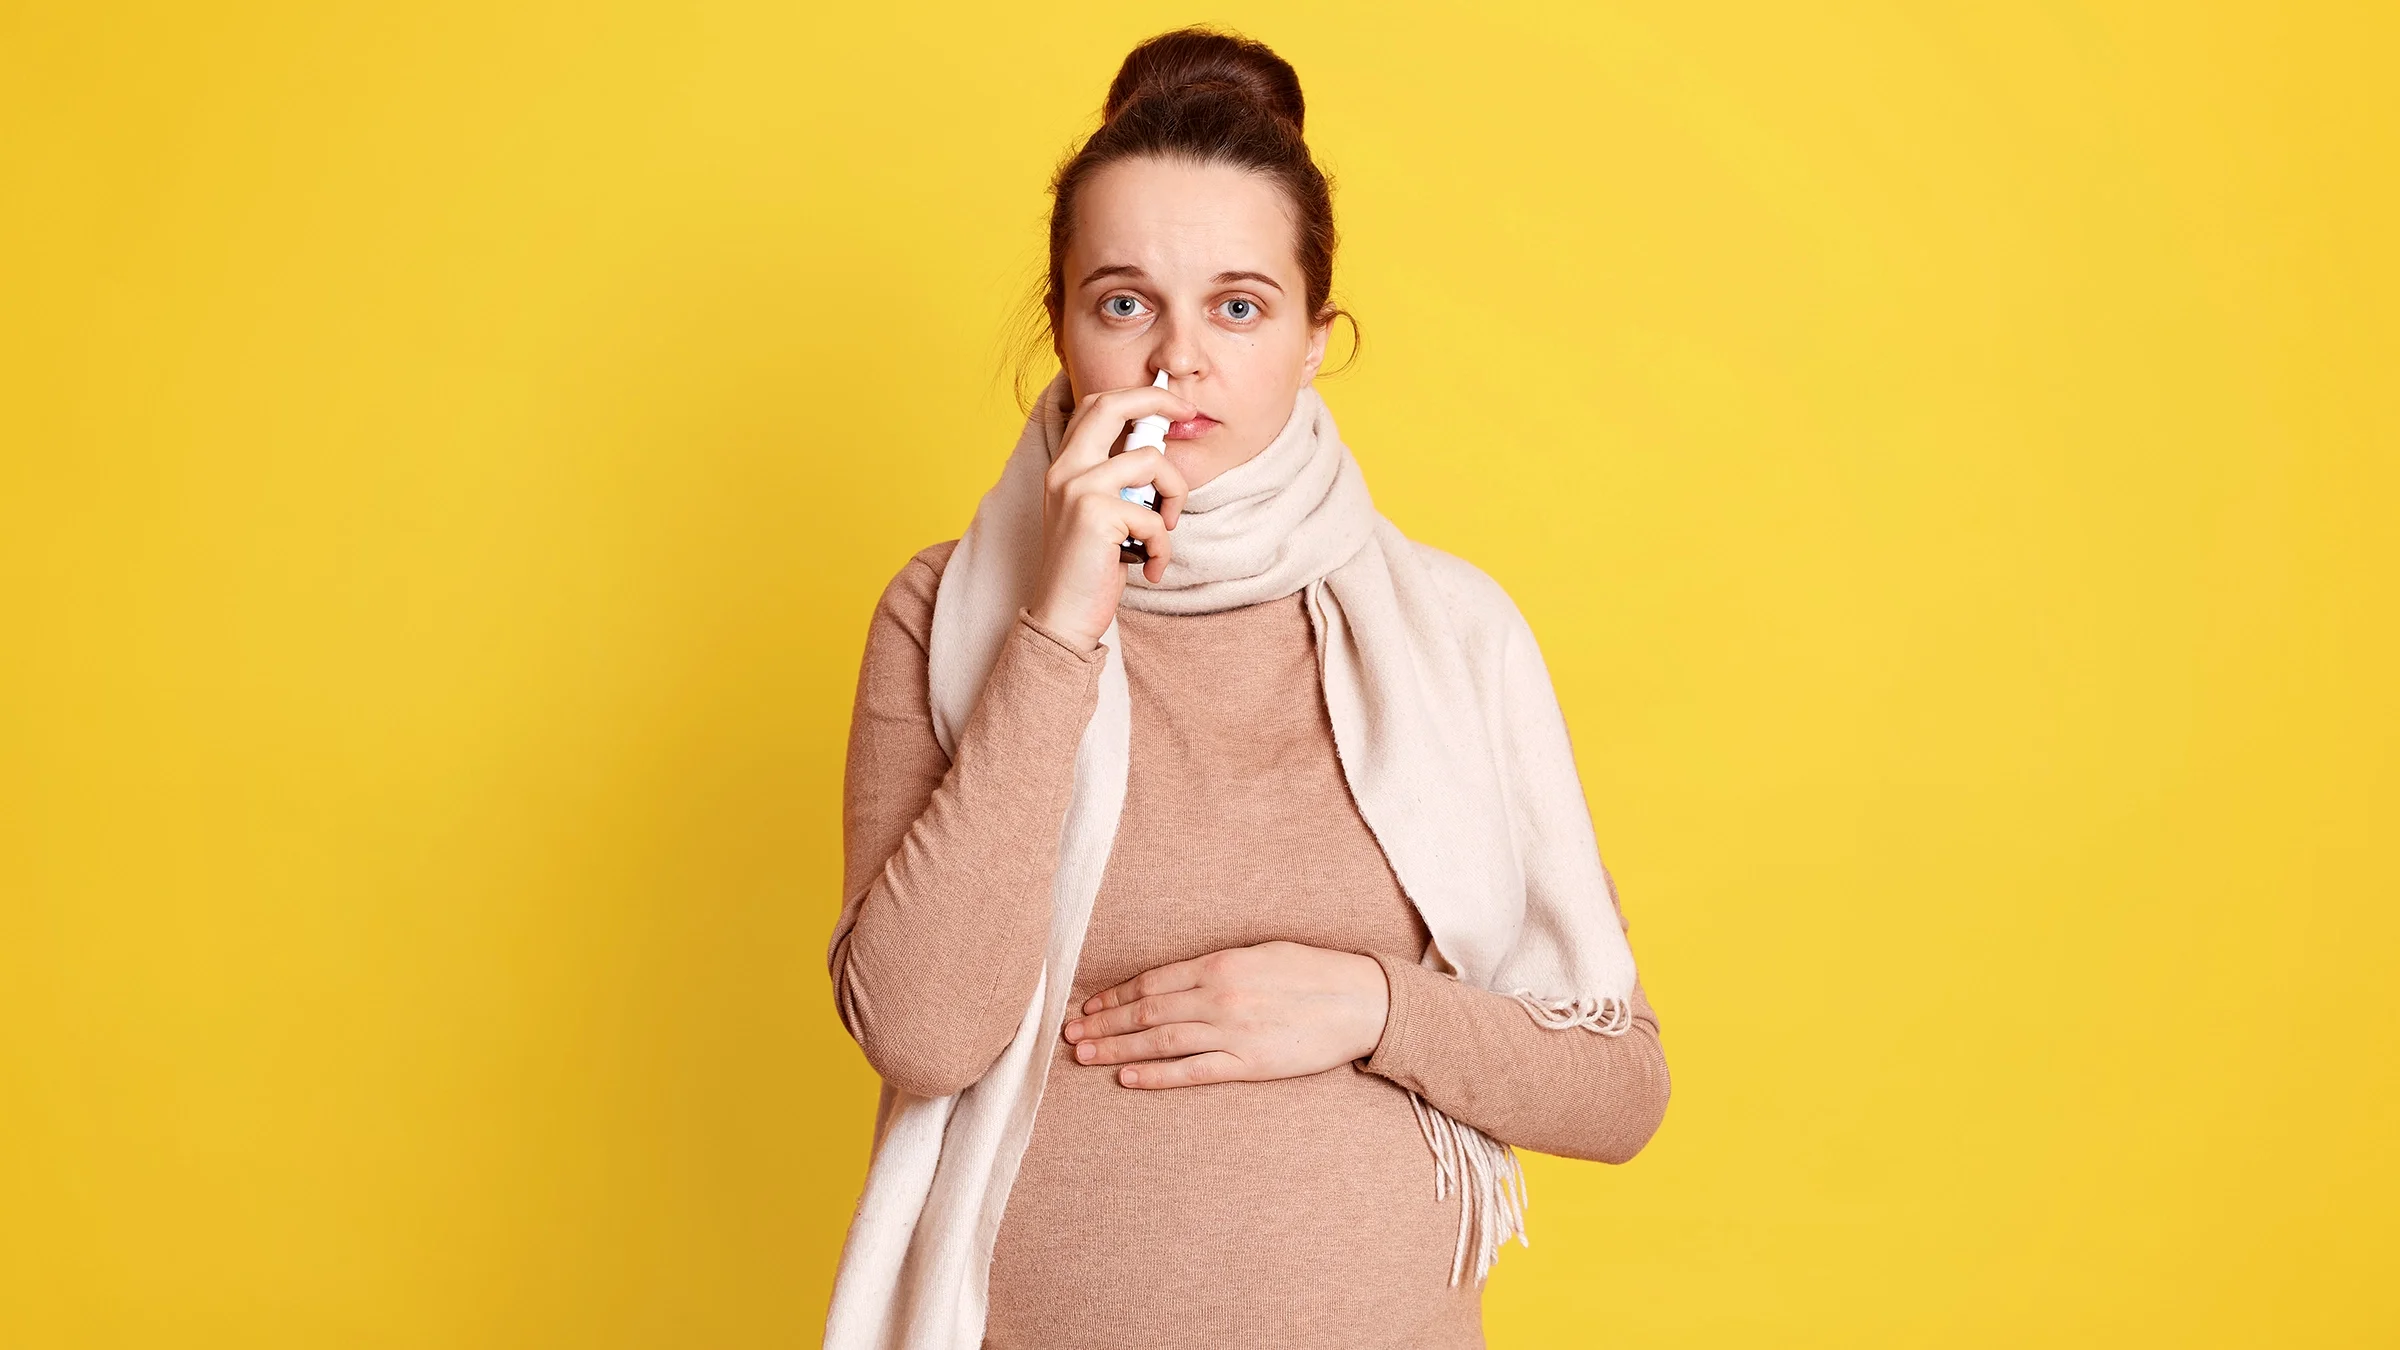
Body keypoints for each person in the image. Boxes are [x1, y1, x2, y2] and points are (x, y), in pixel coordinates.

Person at [823, 26, 1670, 1350]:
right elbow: (923, 1032)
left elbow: (1618, 1083)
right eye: (1123, 302)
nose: (1179, 358)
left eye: (1237, 304)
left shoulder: (1454, 631)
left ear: (1314, 336)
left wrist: (1374, 1004)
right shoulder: (949, 613)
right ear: (1057, 323)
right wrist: (1061, 621)